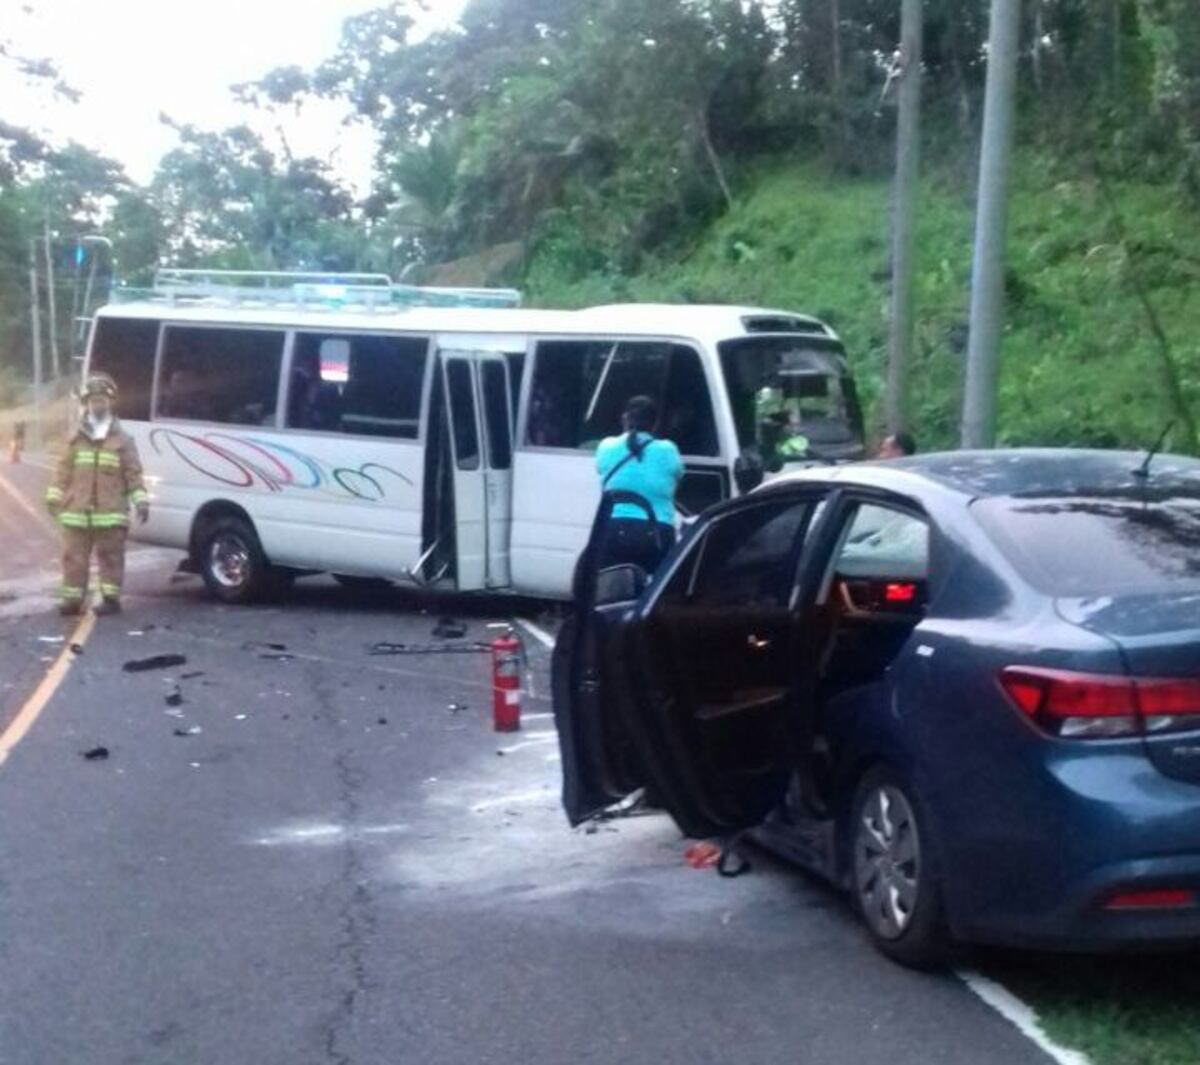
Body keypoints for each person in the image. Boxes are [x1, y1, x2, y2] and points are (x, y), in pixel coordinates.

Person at [44, 373, 149, 617]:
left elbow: (133, 473)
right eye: (93, 400)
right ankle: (72, 601)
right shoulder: (75, 438)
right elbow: (63, 470)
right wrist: (54, 496)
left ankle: (111, 600)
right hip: (76, 512)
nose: (97, 404)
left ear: (111, 402)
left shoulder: (123, 440)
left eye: (102, 399)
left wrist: (141, 501)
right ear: (86, 403)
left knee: (111, 557)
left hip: (110, 514)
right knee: (73, 558)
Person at [593, 395, 682, 573]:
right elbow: (677, 477)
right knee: (656, 593)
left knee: (610, 590)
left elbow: (601, 469)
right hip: (657, 533)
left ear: (624, 418)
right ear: (655, 423)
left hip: (613, 531)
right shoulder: (668, 450)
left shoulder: (606, 446)